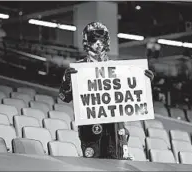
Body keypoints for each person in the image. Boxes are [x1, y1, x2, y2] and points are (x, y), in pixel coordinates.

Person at [59, 22, 154, 160]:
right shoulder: (78, 69)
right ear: (87, 41)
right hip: (92, 133)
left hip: (116, 131)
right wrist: (67, 81)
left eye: (101, 39)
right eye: (94, 39)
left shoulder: (120, 69)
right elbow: (64, 97)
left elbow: (132, 99)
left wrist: (144, 82)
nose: (98, 43)